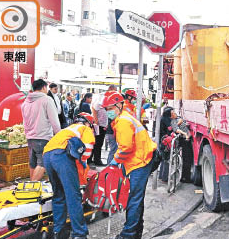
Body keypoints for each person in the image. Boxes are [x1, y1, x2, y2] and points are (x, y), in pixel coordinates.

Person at [101, 91, 157, 239]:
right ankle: (136, 230)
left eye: (110, 108)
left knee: (133, 198)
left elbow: (126, 147)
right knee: (136, 198)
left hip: (140, 161)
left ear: (119, 105)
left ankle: (129, 234)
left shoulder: (123, 121)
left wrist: (115, 161)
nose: (108, 112)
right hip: (139, 160)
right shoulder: (122, 118)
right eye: (106, 109)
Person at [43, 112, 95, 239]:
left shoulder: (67, 130)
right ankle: (79, 234)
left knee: (59, 195)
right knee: (73, 196)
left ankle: (58, 232)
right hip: (61, 156)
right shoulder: (85, 129)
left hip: (47, 155)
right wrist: (82, 166)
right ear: (88, 123)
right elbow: (86, 153)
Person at [21, 79, 61, 181]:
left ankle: (32, 189)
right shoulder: (47, 100)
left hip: (30, 137)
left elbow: (24, 121)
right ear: (43, 87)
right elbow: (54, 120)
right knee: (43, 163)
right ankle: (30, 189)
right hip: (43, 137)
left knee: (33, 163)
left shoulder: (26, 101)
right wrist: (59, 136)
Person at [90, 85, 116, 165]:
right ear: (110, 89)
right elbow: (94, 108)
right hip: (98, 125)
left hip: (102, 124)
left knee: (98, 143)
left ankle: (95, 160)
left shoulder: (106, 97)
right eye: (114, 91)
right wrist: (96, 121)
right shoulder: (102, 97)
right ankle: (96, 161)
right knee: (97, 143)